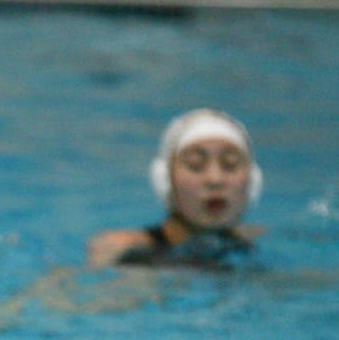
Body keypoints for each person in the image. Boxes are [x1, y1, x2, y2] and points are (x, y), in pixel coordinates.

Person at [86, 108, 264, 270]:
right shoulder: (122, 249)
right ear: (165, 180)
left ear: (253, 181)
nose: (215, 179)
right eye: (195, 165)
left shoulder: (253, 240)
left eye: (230, 164)